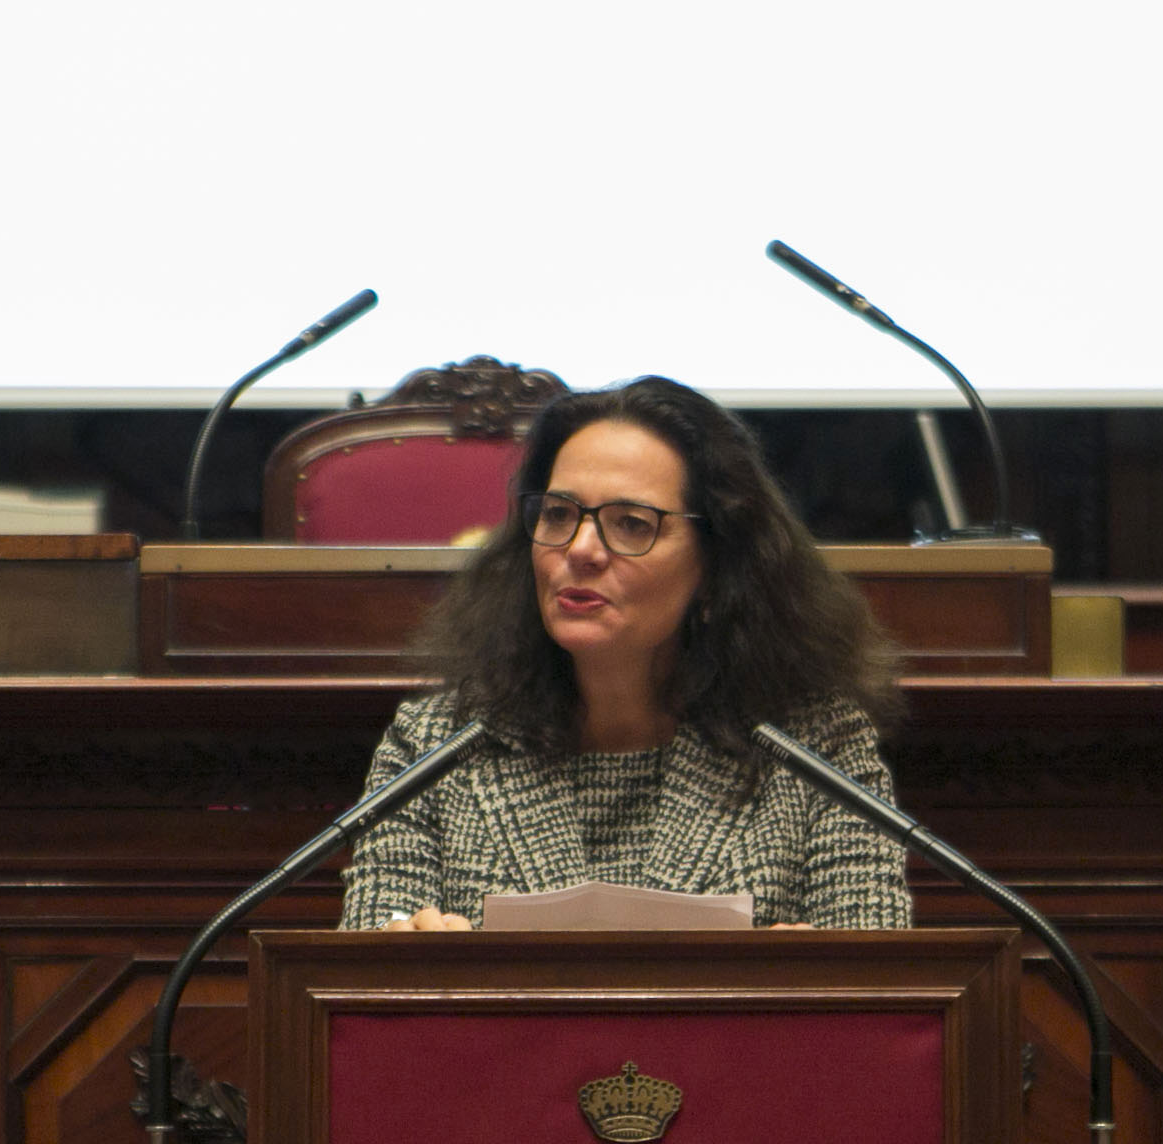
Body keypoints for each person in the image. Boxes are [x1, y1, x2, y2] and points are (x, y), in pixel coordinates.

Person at [337, 375, 913, 931]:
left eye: (632, 524)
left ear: (717, 569)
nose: (582, 550)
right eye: (559, 515)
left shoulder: (817, 749)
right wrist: (406, 954)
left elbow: (879, 984)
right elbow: (361, 978)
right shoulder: (436, 745)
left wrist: (815, 979)